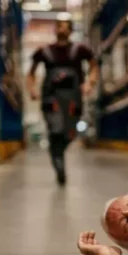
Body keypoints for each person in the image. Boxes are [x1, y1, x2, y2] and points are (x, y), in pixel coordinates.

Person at [27, 19, 98, 186]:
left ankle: (56, 152)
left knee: (70, 132)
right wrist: (32, 89)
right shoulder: (44, 51)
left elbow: (94, 66)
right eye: (59, 26)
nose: (62, 29)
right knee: (56, 129)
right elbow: (31, 73)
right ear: (55, 29)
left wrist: (90, 83)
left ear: (71, 30)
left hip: (73, 98)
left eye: (66, 26)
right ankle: (59, 163)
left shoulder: (80, 50)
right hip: (51, 98)